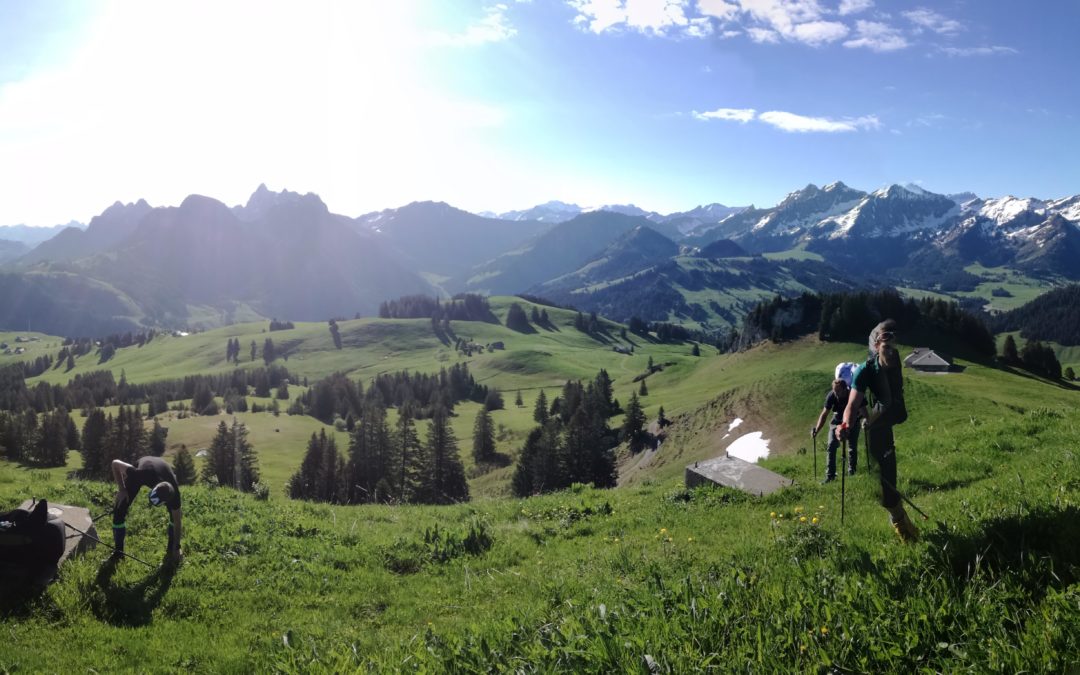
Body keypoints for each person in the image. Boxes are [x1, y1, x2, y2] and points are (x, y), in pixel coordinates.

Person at [836, 319, 918, 542]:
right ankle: (902, 525)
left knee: (890, 476)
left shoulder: (894, 361)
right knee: (885, 482)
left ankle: (901, 520)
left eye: (893, 338)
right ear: (875, 344)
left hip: (888, 422)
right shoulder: (864, 371)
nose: (890, 344)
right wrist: (845, 425)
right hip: (876, 428)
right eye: (884, 339)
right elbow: (852, 405)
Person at [111, 456, 183, 563]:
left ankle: (171, 548)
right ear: (154, 488)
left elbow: (177, 521)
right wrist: (122, 489)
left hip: (163, 470)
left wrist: (177, 546)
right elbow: (115, 463)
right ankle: (118, 553)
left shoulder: (174, 496)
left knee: (174, 516)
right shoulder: (139, 473)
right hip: (146, 467)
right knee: (119, 509)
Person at [811, 378, 860, 483]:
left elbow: (862, 408)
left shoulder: (852, 393)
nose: (835, 393)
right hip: (836, 421)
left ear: (844, 389)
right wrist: (817, 429)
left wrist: (867, 420)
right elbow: (824, 414)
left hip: (853, 421)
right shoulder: (831, 395)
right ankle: (830, 476)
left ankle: (852, 472)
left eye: (838, 391)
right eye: (834, 390)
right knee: (831, 446)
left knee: (852, 447)